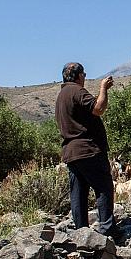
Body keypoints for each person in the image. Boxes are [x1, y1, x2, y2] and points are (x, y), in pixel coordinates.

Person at [54, 63, 117, 236]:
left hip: (71, 153)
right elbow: (99, 108)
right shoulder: (76, 91)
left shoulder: (61, 96)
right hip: (88, 150)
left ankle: (81, 232)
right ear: (79, 76)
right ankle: (107, 229)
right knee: (103, 187)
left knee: (78, 193)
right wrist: (103, 88)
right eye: (84, 74)